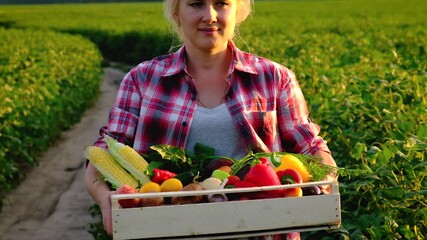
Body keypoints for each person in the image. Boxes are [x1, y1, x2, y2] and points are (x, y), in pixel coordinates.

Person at [85, 0, 337, 239]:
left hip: (266, 231)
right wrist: (104, 197)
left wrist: (324, 180)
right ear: (176, 12)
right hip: (165, 230)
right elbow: (107, 148)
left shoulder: (273, 78)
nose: (210, 15)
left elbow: (310, 146)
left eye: (221, 4)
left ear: (238, 11)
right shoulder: (142, 80)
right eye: (196, 4)